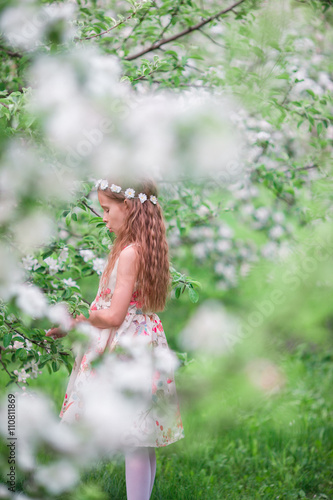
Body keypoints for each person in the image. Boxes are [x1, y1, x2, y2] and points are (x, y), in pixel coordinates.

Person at [45, 176, 185, 500]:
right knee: (142, 438)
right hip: (146, 343)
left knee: (133, 440)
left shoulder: (128, 254)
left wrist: (77, 319)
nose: (104, 217)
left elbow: (113, 316)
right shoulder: (144, 246)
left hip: (128, 349)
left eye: (107, 210)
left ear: (129, 206)